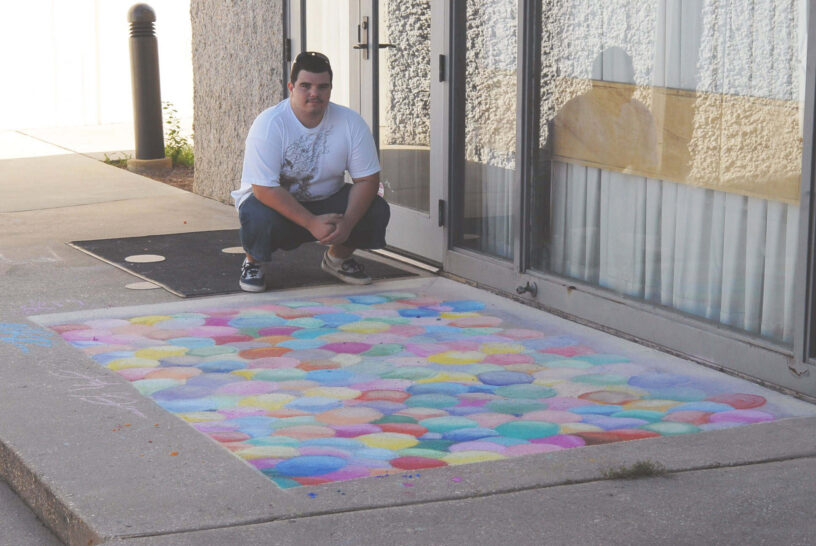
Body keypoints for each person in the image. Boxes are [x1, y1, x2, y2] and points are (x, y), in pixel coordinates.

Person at [231, 51, 390, 292]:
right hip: (277, 204)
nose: (314, 93)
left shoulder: (350, 122)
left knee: (376, 208)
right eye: (306, 86)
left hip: (326, 200)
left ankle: (337, 259)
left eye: (322, 87)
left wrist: (347, 223)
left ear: (330, 89)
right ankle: (253, 262)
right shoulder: (270, 123)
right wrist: (311, 222)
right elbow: (263, 189)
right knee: (256, 214)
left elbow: (367, 179)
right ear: (291, 87)